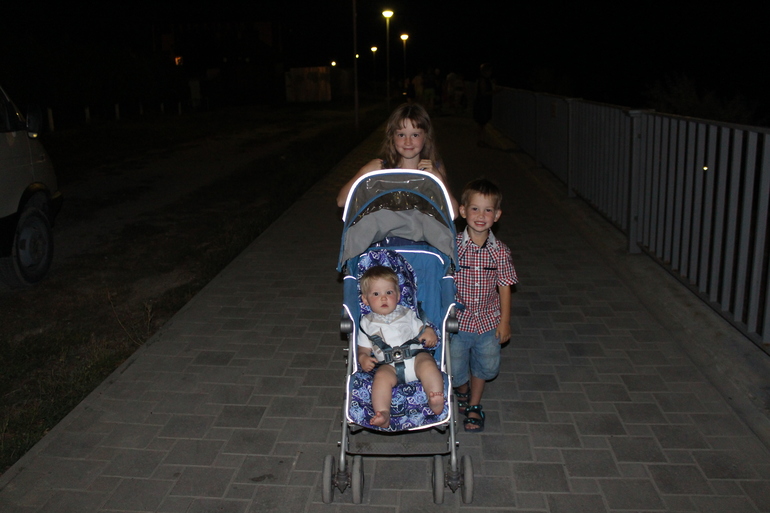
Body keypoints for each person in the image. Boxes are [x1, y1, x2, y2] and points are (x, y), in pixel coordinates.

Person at [452, 179, 518, 432]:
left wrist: (505, 322)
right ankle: (463, 390)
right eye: (475, 209)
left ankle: (474, 404)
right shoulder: (452, 247)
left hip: (489, 320)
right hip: (458, 322)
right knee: (455, 366)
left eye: (488, 210)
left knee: (486, 365)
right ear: (463, 211)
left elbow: (505, 286)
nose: (481, 216)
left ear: (497, 215)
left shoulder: (500, 251)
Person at [356, 265, 445, 428]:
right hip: (388, 365)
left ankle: (435, 398)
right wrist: (363, 358)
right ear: (365, 300)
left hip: (415, 357)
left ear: (398, 296)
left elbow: (421, 328)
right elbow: (363, 349)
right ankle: (383, 413)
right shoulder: (366, 323)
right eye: (376, 294)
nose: (384, 298)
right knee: (380, 378)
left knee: (428, 364)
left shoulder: (407, 313)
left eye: (389, 292)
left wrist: (429, 331)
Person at [336, 102, 458, 216]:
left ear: (425, 136)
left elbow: (453, 213)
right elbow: (341, 201)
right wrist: (363, 172)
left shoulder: (433, 169)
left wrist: (439, 178)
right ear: (392, 136)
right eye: (401, 135)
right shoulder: (383, 170)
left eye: (415, 135)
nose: (408, 142)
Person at [473, 63, 497, 147]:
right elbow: (483, 93)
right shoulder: (483, 80)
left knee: (481, 124)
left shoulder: (483, 80)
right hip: (482, 104)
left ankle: (481, 140)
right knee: (481, 124)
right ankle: (481, 140)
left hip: (482, 103)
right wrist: (495, 92)